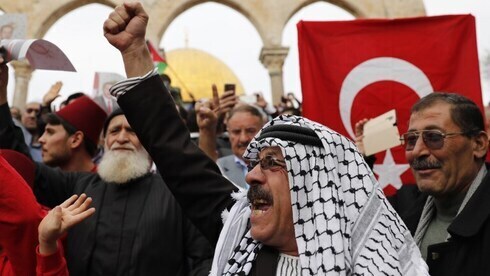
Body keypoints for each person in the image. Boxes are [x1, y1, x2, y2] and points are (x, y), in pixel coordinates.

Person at [104, 3, 428, 275]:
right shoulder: (239, 231)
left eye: (272, 163)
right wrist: (134, 52)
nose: (250, 174)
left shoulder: (374, 261)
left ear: (313, 183)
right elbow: (174, 151)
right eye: (256, 162)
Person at [29, 108, 213, 276]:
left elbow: (203, 259)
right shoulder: (79, 186)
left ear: (147, 140)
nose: (122, 138)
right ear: (105, 140)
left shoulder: (176, 193)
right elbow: (22, 166)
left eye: (132, 131)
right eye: (114, 131)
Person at [394, 92, 490, 275]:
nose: (417, 151)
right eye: (411, 140)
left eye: (434, 137)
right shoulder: (402, 207)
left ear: (478, 144)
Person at [0, 66, 107, 172]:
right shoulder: (52, 182)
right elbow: (18, 157)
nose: (41, 140)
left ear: (76, 140)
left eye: (50, 132)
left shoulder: (107, 187)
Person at [216, 104, 264, 189]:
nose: (243, 139)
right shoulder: (218, 168)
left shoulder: (278, 168)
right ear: (229, 134)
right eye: (236, 132)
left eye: (250, 131)